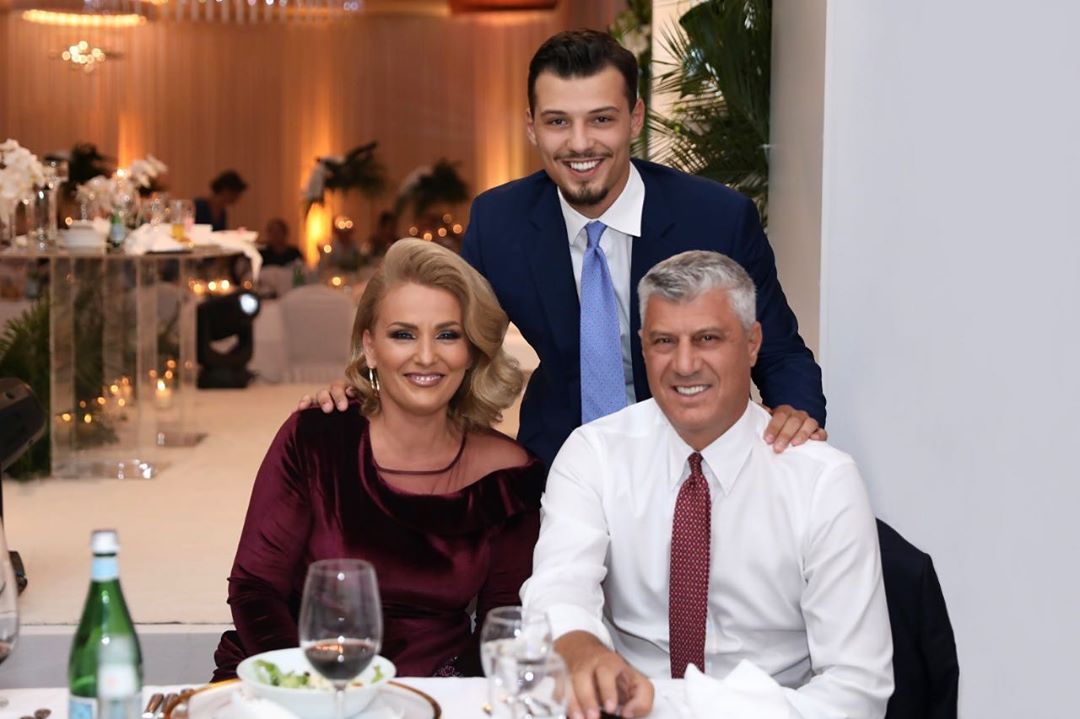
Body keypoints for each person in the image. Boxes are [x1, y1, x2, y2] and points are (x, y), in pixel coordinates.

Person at [305, 30, 826, 466]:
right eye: (558, 121)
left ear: (635, 118)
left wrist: (796, 416)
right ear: (532, 126)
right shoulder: (500, 220)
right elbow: (447, 336)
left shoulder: (716, 218)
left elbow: (778, 351)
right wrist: (364, 388)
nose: (579, 143)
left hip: (698, 452)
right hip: (559, 459)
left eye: (601, 119)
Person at [522, 251, 893, 719]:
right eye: (664, 341)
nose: (684, 364)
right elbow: (559, 587)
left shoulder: (821, 481)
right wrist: (580, 649)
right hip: (626, 706)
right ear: (642, 346)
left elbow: (856, 689)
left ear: (753, 344)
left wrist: (705, 709)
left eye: (708, 339)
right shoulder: (593, 454)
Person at [213, 239, 546, 680]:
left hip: (438, 692)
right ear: (370, 346)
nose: (425, 356)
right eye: (403, 334)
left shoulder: (508, 476)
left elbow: (501, 625)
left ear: (471, 350)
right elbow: (256, 588)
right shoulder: (316, 439)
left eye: (447, 334)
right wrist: (310, 686)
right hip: (295, 676)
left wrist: (435, 700)